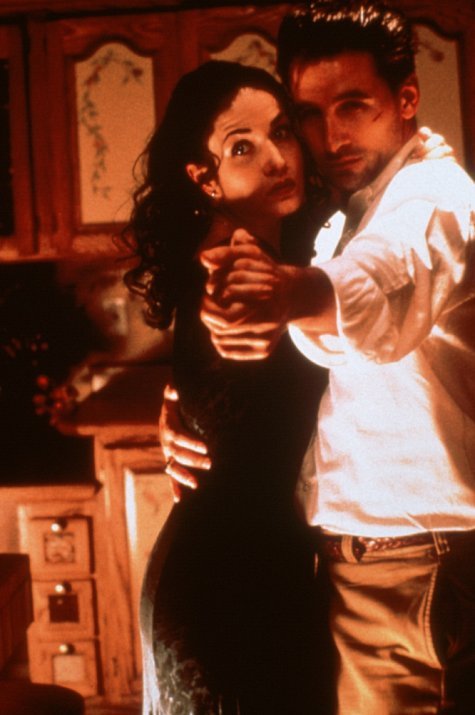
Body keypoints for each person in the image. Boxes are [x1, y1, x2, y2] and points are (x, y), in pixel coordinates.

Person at [193, 2, 475, 713]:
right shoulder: (355, 206)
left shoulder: (432, 198)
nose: (331, 136)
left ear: (405, 98)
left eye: (353, 106)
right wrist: (195, 406)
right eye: (310, 115)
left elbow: (376, 282)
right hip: (384, 559)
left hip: (416, 560)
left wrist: (284, 292)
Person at [123, 60, 331, 715]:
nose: (276, 158)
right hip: (225, 590)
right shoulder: (231, 268)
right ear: (204, 177)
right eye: (242, 146)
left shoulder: (285, 257)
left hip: (253, 572)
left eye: (281, 132)